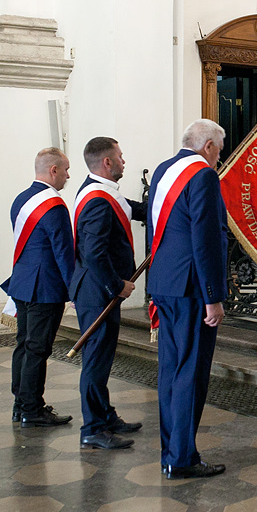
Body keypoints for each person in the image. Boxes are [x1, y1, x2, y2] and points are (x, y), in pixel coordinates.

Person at [147, 119, 230, 479]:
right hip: (192, 290)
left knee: (171, 371)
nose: (218, 160)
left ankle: (171, 451)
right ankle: (182, 458)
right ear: (208, 146)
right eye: (219, 151)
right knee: (191, 375)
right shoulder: (203, 176)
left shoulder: (165, 170)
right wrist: (213, 297)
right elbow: (206, 241)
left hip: (164, 282)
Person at [71, 137, 147, 450]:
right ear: (107, 163)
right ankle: (93, 428)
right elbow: (94, 253)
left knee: (101, 359)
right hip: (96, 291)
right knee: (96, 362)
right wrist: (117, 285)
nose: (124, 161)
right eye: (120, 156)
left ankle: (104, 415)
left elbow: (138, 210)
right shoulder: (98, 200)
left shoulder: (104, 193)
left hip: (97, 289)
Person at [5, 148, 75, 428]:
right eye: (66, 170)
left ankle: (20, 404)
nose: (69, 175)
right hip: (45, 287)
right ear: (53, 170)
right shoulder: (54, 205)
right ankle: (32, 409)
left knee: (23, 345)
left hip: (22, 282)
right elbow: (63, 252)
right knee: (38, 349)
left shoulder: (20, 199)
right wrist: (75, 290)